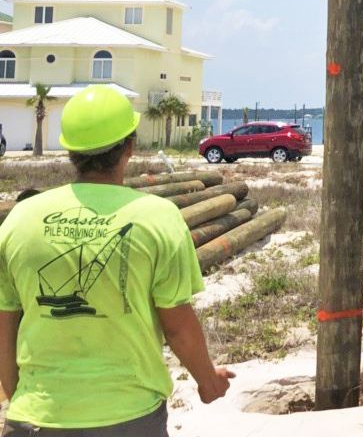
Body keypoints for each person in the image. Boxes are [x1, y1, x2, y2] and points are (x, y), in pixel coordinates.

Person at [0, 85, 234, 435]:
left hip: (33, 417)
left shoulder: (21, 217)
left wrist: (17, 397)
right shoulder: (158, 217)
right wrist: (207, 381)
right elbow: (177, 324)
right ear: (129, 146)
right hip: (128, 417)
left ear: (70, 151)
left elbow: (5, 323)